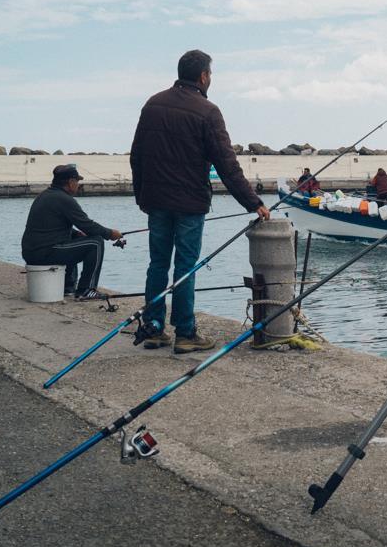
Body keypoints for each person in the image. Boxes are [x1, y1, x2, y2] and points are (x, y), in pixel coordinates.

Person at [131, 50, 271, 353]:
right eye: (211, 75)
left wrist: (142, 195)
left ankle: (154, 328)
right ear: (204, 76)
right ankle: (185, 332)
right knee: (185, 266)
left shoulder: (152, 105)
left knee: (157, 263)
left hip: (155, 201)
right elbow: (227, 164)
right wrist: (253, 203)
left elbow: (136, 155)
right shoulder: (208, 111)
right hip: (189, 204)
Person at [21, 165, 122, 299]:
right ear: (70, 182)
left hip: (33, 252)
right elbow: (88, 225)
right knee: (96, 242)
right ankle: (86, 290)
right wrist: (111, 234)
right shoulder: (64, 199)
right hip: (45, 252)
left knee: (74, 239)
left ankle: (67, 287)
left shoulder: (45, 195)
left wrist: (76, 234)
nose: (78, 185)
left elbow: (52, 227)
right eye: (77, 181)